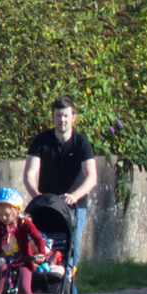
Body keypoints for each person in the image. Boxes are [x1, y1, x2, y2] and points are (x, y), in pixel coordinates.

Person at [23, 97, 99, 266]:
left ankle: (69, 287)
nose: (62, 120)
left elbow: (91, 176)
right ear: (53, 117)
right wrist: (37, 196)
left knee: (70, 248)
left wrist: (74, 196)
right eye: (58, 115)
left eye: (65, 115)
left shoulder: (81, 143)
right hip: (46, 206)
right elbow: (29, 174)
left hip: (74, 206)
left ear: (74, 117)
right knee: (41, 246)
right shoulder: (41, 141)